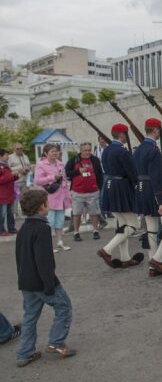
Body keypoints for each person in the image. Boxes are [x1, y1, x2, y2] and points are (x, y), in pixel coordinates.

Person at [15, 189, 76, 367]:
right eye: (47, 202)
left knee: (29, 317)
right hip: (42, 282)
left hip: (26, 282)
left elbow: (20, 256)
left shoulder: (24, 228)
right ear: (42, 206)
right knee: (64, 307)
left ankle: (24, 353)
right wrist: (49, 284)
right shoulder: (42, 228)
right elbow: (44, 260)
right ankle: (56, 341)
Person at [134, 118, 162, 277]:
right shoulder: (153, 150)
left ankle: (153, 266)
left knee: (151, 229)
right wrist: (161, 201)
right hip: (153, 190)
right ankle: (157, 259)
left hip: (141, 189)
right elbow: (156, 177)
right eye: (159, 130)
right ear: (155, 130)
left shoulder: (138, 149)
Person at [96, 124, 143, 269]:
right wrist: (137, 185)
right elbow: (132, 172)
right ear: (122, 135)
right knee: (134, 225)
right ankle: (107, 249)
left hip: (110, 185)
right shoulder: (122, 151)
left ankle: (125, 257)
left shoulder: (106, 151)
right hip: (122, 187)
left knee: (123, 225)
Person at [33, 144, 71, 252]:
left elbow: (64, 180)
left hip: (61, 196)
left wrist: (68, 196)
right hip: (48, 197)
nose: (55, 153)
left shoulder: (60, 164)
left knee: (60, 222)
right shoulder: (41, 164)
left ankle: (60, 242)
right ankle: (48, 245)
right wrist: (52, 177)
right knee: (49, 222)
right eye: (52, 151)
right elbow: (37, 180)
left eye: (56, 151)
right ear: (45, 153)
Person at [64, 142, 103, 242]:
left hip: (93, 191)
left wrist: (100, 187)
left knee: (94, 212)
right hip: (78, 192)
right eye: (85, 150)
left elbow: (100, 174)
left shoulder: (95, 160)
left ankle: (95, 231)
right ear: (81, 151)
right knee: (77, 213)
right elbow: (66, 173)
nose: (88, 152)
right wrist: (78, 171)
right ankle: (76, 232)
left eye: (89, 150)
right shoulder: (74, 160)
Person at [8, 142, 31, 221]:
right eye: (18, 149)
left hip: (25, 180)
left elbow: (29, 165)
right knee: (15, 199)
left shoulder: (25, 156)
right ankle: (14, 214)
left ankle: (25, 212)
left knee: (25, 197)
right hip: (15, 181)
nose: (20, 150)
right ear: (14, 149)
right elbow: (8, 169)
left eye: (21, 148)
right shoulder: (10, 157)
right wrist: (19, 169)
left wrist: (27, 168)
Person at [0, 149, 19, 236]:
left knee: (10, 213)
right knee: (2, 214)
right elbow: (1, 180)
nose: (8, 157)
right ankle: (1, 230)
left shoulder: (6, 166)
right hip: (2, 195)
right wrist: (11, 175)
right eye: (6, 155)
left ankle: (11, 228)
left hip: (10, 193)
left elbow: (9, 179)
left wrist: (15, 176)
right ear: (1, 156)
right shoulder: (1, 167)